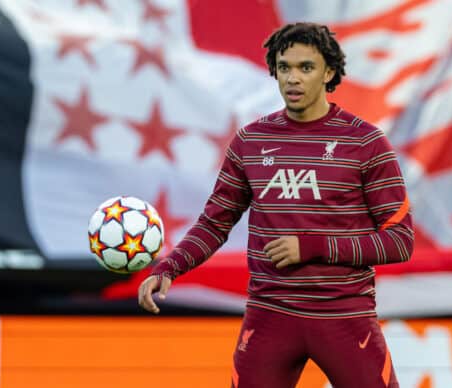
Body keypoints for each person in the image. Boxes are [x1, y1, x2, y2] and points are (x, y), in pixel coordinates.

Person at [138, 22, 413, 388]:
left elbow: (399, 241)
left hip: (344, 318)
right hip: (270, 317)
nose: (293, 79)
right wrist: (169, 267)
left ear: (329, 72)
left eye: (306, 67)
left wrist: (312, 247)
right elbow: (214, 223)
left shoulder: (365, 143)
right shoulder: (251, 141)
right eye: (284, 68)